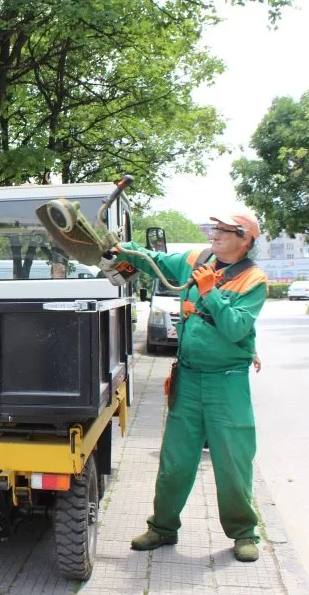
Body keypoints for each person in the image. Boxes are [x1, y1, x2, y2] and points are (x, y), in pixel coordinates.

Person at [106, 211, 267, 563]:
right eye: (215, 228)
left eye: (225, 231)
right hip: (190, 378)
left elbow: (236, 328)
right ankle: (163, 527)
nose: (215, 234)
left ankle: (243, 532)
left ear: (245, 240)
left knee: (233, 461)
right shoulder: (197, 259)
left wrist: (209, 292)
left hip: (228, 382)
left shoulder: (254, 280)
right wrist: (123, 249)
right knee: (175, 460)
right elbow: (156, 262)